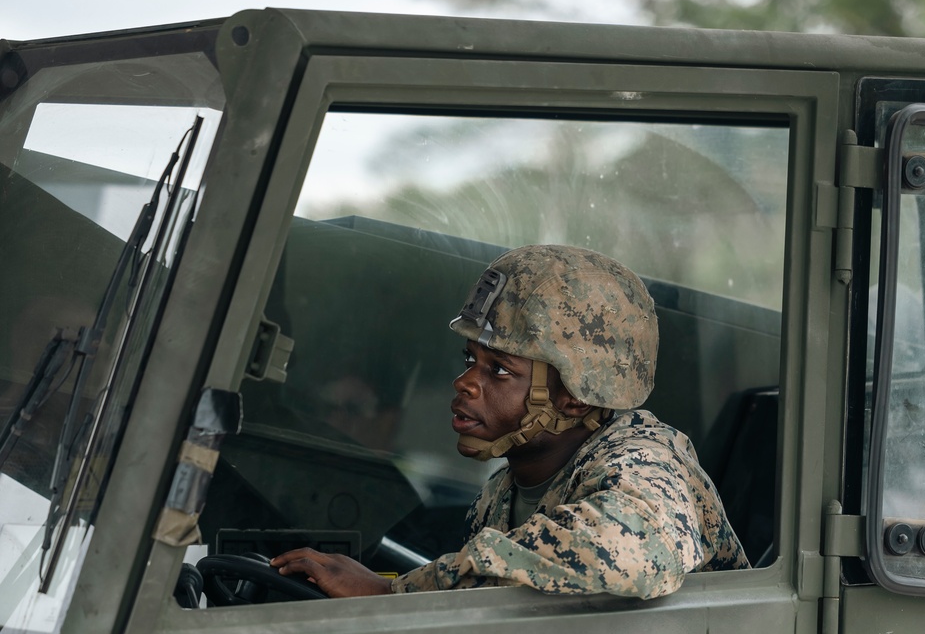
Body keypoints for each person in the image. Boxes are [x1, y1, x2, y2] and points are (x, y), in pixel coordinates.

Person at [271, 244, 749, 598]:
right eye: (469, 360)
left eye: (499, 370)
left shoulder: (644, 461)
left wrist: (392, 594)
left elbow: (628, 554)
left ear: (576, 397)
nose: (465, 383)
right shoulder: (500, 495)